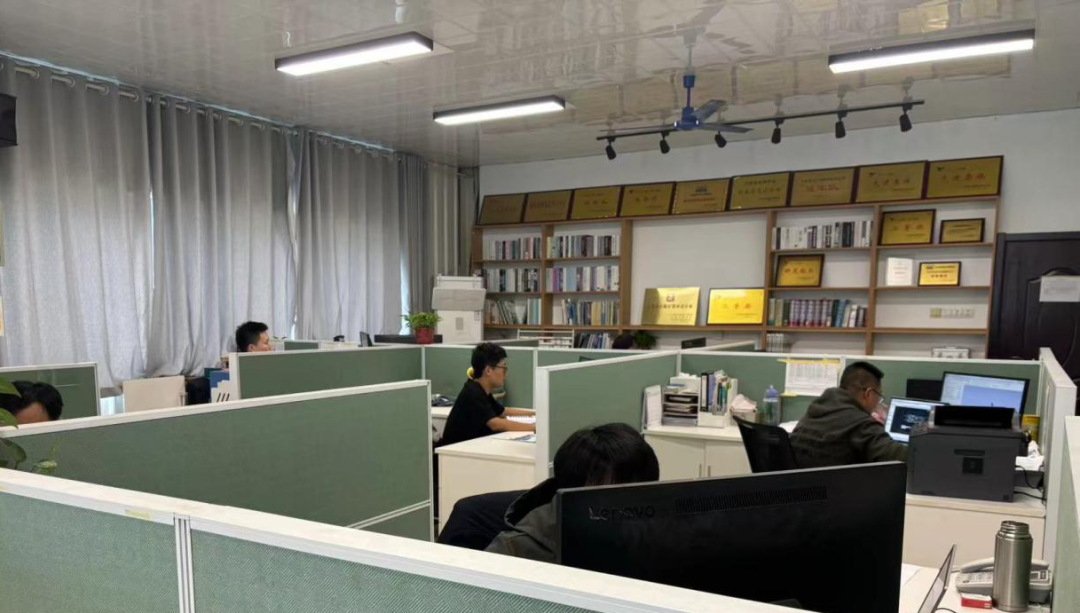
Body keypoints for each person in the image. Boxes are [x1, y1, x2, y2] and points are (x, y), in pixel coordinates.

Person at [486, 423, 660, 563]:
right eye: (610, 494)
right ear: (571, 493)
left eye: (636, 493)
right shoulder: (514, 549)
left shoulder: (656, 535)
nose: (626, 508)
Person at [789, 361, 907, 468]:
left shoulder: (815, 410)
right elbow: (903, 457)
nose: (878, 402)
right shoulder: (860, 423)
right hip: (833, 484)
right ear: (868, 394)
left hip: (798, 483)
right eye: (879, 396)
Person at [439, 343, 534, 447]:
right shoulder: (473, 393)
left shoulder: (481, 390)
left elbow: (503, 412)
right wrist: (535, 428)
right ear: (488, 370)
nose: (506, 374)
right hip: (453, 452)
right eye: (504, 368)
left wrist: (535, 414)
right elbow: (496, 424)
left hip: (471, 447)